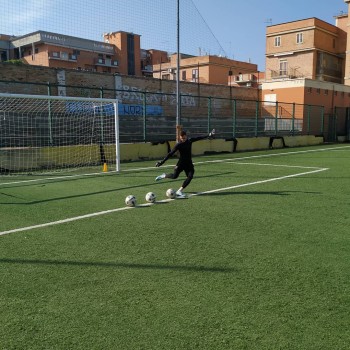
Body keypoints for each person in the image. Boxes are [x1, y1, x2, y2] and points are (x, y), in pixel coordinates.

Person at [155, 129, 215, 198]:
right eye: (181, 138)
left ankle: (179, 191)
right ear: (180, 137)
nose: (183, 139)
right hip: (181, 163)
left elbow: (199, 137)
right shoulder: (179, 145)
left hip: (189, 163)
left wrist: (209, 135)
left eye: (184, 138)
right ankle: (164, 175)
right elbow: (170, 154)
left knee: (190, 176)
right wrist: (161, 162)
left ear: (186, 136)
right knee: (175, 176)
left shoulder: (189, 141)